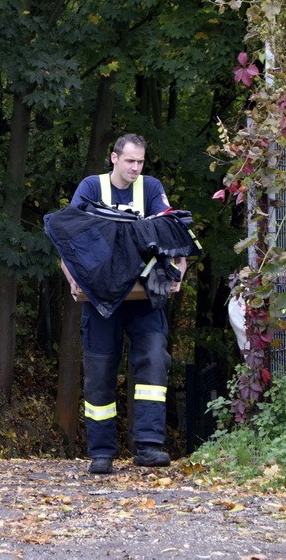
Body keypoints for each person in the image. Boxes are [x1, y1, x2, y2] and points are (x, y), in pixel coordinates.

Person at [63, 133, 185, 475]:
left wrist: (178, 267)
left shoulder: (150, 188)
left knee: (153, 363)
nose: (135, 167)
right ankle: (101, 453)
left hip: (144, 296)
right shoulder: (91, 187)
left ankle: (147, 446)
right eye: (130, 160)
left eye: (140, 161)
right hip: (101, 298)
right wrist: (71, 276)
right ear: (114, 158)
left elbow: (172, 230)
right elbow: (67, 237)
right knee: (100, 372)